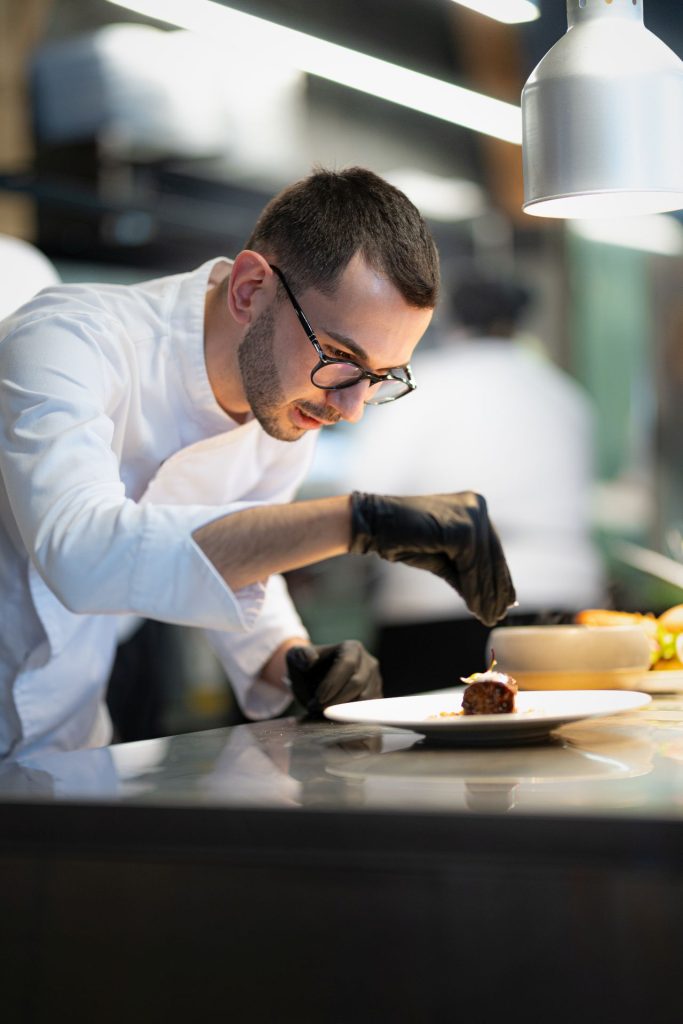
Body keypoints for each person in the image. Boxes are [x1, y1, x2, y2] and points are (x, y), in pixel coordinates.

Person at [0, 168, 515, 757]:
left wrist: (290, 659)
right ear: (249, 289)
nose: (351, 409)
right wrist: (356, 522)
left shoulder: (290, 402)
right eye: (343, 357)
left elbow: (244, 555)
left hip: (68, 744)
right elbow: (83, 552)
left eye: (379, 378)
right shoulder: (66, 341)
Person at [344, 268, 606, 695]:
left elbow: (363, 495)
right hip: (559, 597)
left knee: (426, 747)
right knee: (558, 745)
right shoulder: (564, 394)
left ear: (451, 320)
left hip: (436, 602)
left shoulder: (419, 387)